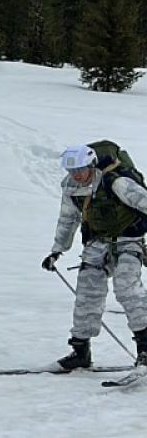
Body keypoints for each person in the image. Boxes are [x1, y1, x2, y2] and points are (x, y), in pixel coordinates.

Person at [43, 143, 147, 371]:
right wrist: (57, 250)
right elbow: (68, 218)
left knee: (127, 288)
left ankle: (145, 350)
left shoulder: (116, 183)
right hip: (97, 243)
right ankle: (81, 351)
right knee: (87, 293)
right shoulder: (71, 187)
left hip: (128, 239)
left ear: (91, 165)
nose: (77, 175)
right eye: (72, 171)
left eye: (80, 169)